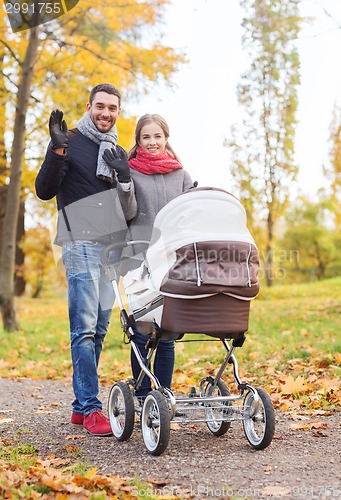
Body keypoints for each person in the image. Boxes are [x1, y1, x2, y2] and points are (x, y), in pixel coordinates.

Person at [35, 83, 137, 436]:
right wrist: (57, 149)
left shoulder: (116, 151)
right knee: (83, 327)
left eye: (112, 107)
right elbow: (44, 190)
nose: (105, 113)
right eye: (100, 106)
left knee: (101, 328)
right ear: (89, 106)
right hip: (78, 241)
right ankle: (92, 408)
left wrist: (124, 176)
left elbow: (128, 211)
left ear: (118, 112)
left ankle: (80, 408)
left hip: (110, 247)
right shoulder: (69, 140)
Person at [102, 113, 193, 401]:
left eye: (157, 136)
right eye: (146, 137)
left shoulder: (181, 175)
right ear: (138, 140)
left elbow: (188, 217)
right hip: (139, 260)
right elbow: (125, 214)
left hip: (172, 263)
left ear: (166, 138)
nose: (152, 142)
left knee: (166, 334)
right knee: (142, 331)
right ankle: (141, 395)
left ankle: (163, 395)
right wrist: (126, 181)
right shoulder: (130, 170)